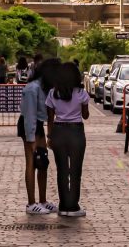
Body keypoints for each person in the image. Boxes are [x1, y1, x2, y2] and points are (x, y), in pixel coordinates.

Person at [46, 61, 89, 218]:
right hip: (76, 131)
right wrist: (81, 107)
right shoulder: (81, 94)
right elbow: (85, 115)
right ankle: (73, 206)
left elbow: (50, 118)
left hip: (58, 130)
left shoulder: (52, 93)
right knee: (75, 171)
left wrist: (49, 136)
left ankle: (63, 205)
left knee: (62, 170)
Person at [18, 58, 60, 215]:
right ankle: (31, 203)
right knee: (31, 162)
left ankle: (43, 200)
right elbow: (29, 115)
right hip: (29, 125)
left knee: (42, 161)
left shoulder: (45, 88)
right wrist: (31, 138)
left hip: (39, 124)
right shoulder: (32, 88)